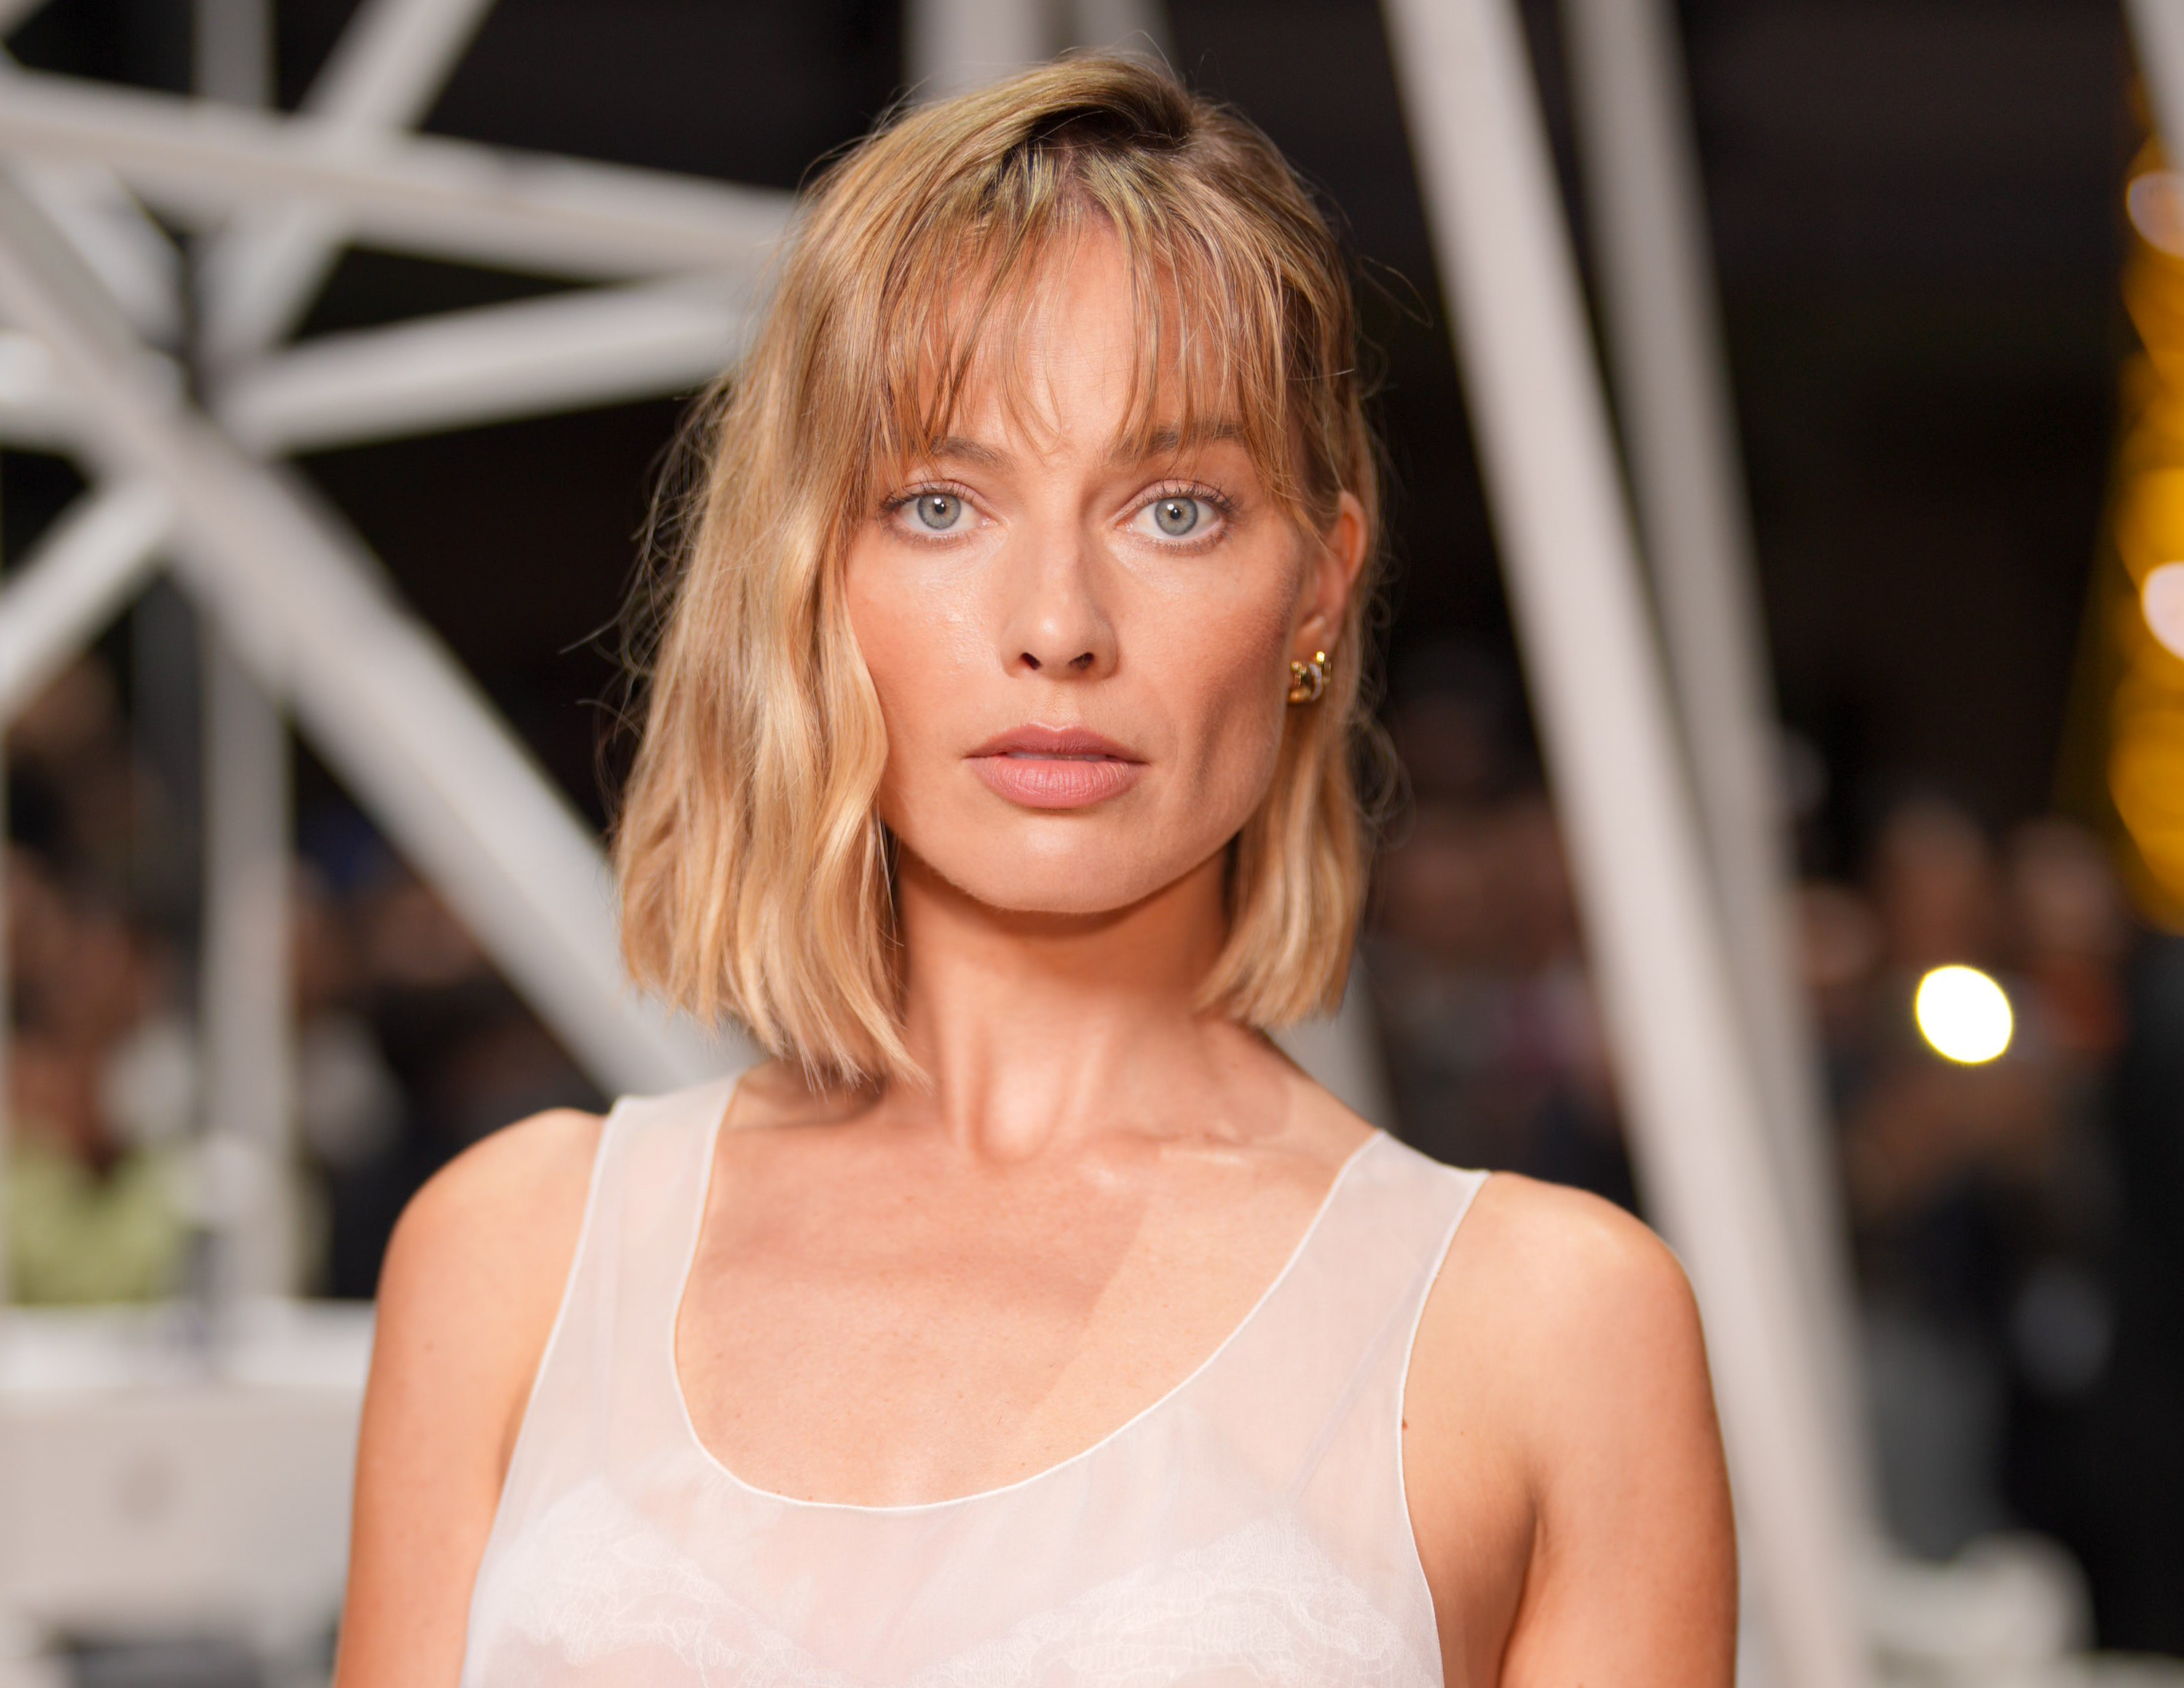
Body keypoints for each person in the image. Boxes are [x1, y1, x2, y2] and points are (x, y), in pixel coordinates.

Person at [333, 58, 1733, 1687]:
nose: (1056, 621)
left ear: (1318, 590)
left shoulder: (1546, 1325)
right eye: (940, 502)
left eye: (1177, 510)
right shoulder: (514, 1252)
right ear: (809, 577)